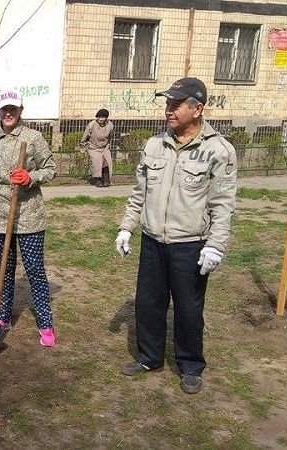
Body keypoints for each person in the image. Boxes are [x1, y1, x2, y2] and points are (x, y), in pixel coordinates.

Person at [115, 77, 237, 394]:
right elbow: (138, 194)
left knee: (188, 309)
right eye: (168, 103)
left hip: (190, 246)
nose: (169, 110)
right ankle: (149, 357)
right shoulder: (155, 145)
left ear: (197, 109)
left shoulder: (218, 150)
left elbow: (223, 205)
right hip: (153, 241)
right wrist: (127, 227)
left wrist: (215, 246)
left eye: (176, 104)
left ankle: (190, 365)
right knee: (149, 303)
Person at [0, 88, 58, 347]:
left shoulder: (33, 137)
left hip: (29, 216)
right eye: (4, 109)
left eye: (13, 109)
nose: (9, 113)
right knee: (5, 269)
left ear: (20, 110)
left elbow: (51, 169)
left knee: (35, 271)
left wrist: (31, 177)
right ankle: (2, 317)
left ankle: (45, 322)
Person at [80, 108, 114, 187]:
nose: (100, 119)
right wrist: (88, 147)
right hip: (94, 147)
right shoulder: (91, 125)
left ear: (106, 118)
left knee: (107, 162)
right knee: (97, 162)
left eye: (103, 117)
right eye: (99, 117)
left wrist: (107, 145)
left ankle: (106, 180)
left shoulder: (110, 125)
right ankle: (97, 180)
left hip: (105, 147)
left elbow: (110, 137)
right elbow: (84, 139)